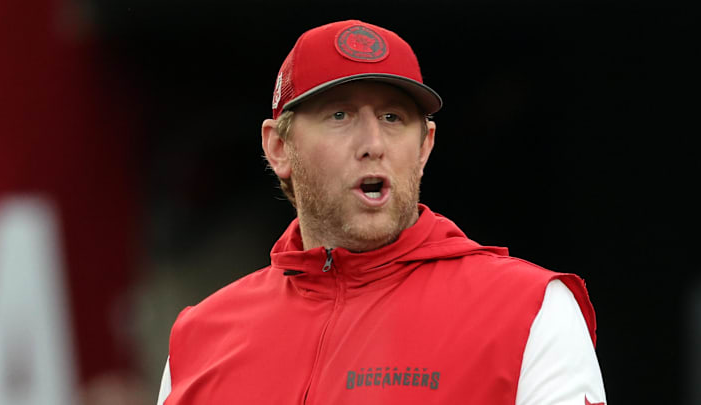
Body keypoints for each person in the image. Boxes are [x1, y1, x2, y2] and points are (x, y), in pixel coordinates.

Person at [156, 19, 607, 404]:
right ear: (279, 148)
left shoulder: (529, 311)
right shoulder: (199, 339)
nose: (373, 145)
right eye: (340, 116)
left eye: (393, 118)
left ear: (425, 145)